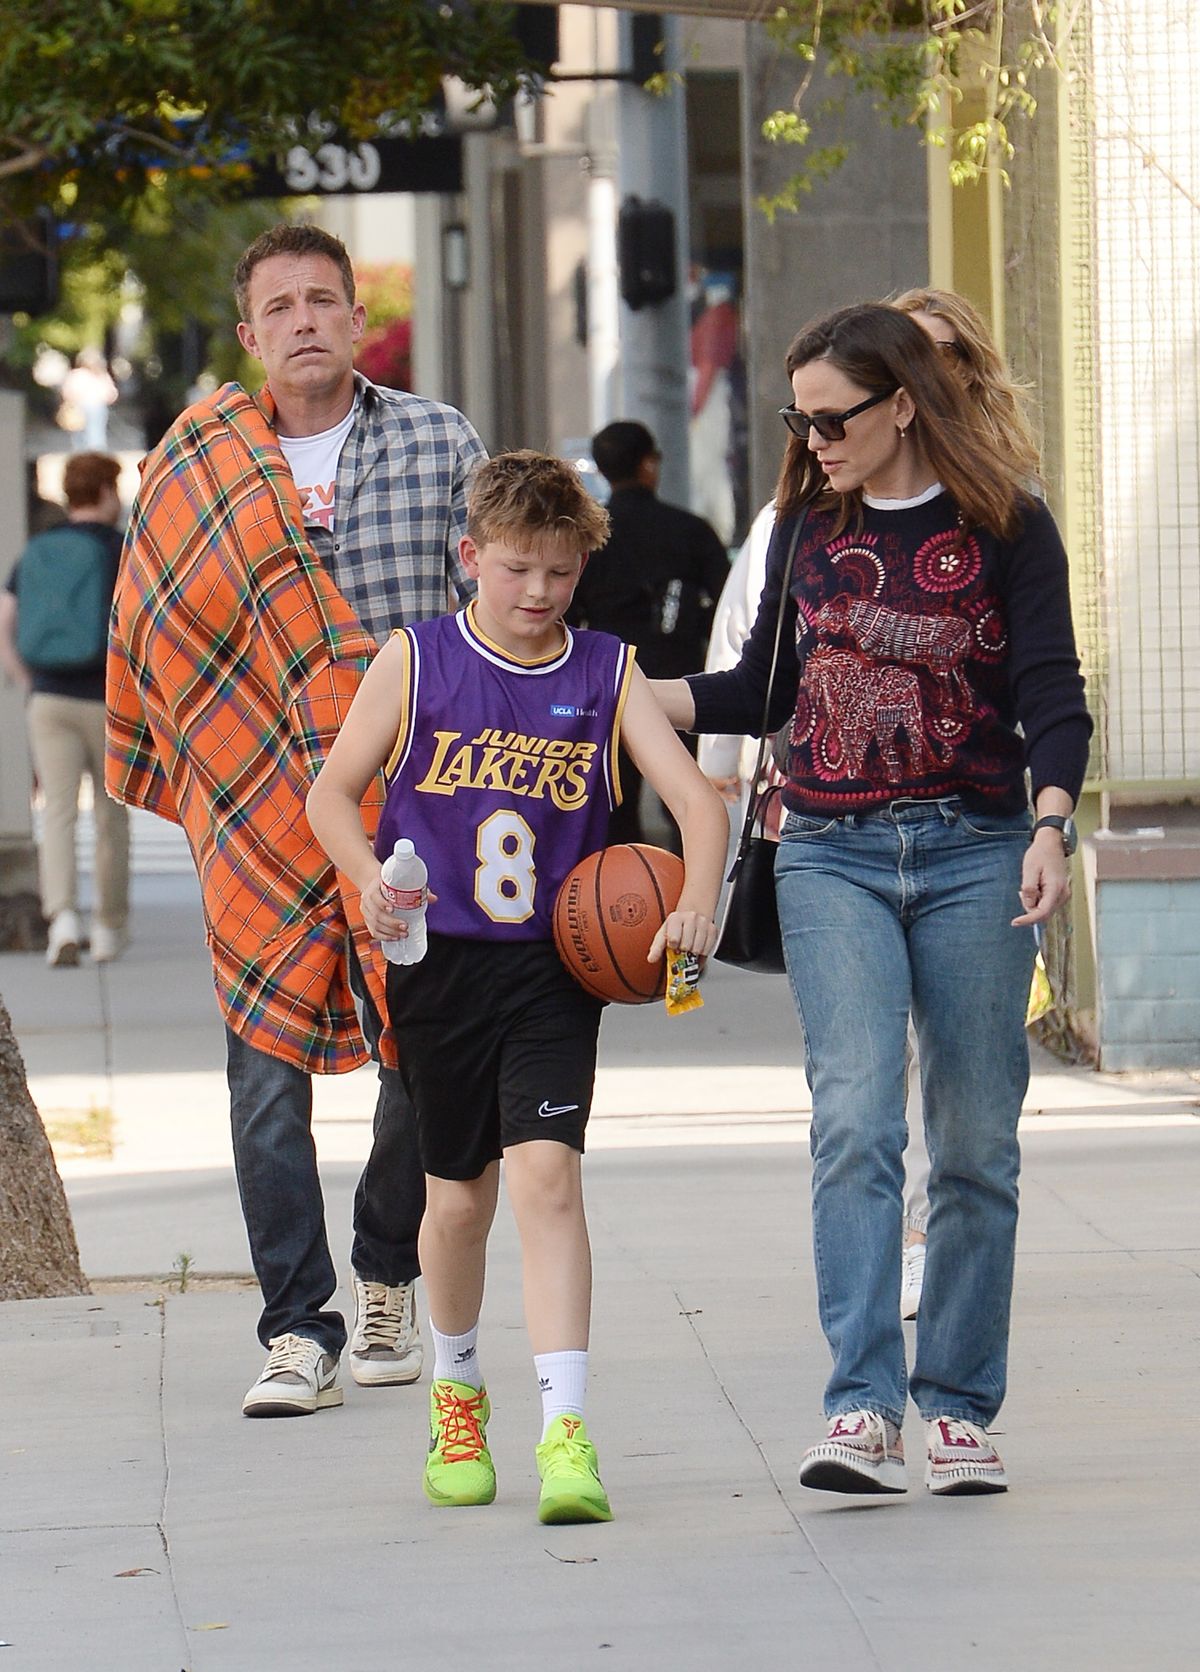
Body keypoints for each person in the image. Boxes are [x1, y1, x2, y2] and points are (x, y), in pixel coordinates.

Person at [653, 301, 1090, 1497]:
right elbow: (759, 688)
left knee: (974, 1141)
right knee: (855, 1121)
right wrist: (627, 692)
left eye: (833, 416)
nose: (815, 438)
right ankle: (860, 1405)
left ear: (904, 402)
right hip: (832, 851)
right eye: (800, 418)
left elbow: (1053, 692)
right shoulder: (804, 527)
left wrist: (1052, 825)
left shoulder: (1006, 525)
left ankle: (955, 1405)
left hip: (978, 848)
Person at [106, 223, 487, 1417]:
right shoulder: (192, 463)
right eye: (283, 305)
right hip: (258, 804)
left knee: (420, 1053)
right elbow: (152, 623)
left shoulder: (437, 439)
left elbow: (489, 606)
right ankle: (294, 1326)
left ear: (355, 320)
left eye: (327, 298)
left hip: (410, 802)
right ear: (251, 332)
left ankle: (384, 1268)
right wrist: (211, 754)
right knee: (265, 1071)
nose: (307, 319)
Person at [306, 451, 728, 1522]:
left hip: (555, 965)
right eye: (517, 570)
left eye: (559, 571)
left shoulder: (608, 670)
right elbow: (329, 795)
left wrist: (696, 901)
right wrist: (367, 881)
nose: (539, 593)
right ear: (470, 560)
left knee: (547, 1179)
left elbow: (697, 801)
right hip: (438, 963)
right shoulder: (415, 660)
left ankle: (566, 1430)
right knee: (457, 1202)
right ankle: (457, 1389)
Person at [892, 286, 1047, 1319]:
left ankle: (936, 1231)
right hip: (845, 829)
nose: (921, 374)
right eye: (904, 355)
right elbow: (765, 647)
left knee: (970, 1097)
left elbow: (1047, 673)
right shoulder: (822, 495)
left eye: (942, 355)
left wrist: (1050, 817)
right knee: (865, 1092)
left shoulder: (1008, 502)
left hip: (978, 824)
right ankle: (907, 1238)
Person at [568, 420, 729, 846]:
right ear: (649, 464)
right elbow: (725, 609)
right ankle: (687, 895)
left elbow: (568, 615)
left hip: (606, 679)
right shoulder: (690, 531)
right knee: (687, 802)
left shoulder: (591, 540)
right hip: (683, 681)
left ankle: (622, 903)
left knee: (613, 805)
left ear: (602, 470)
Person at [0, 452, 130, 967]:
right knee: (109, 815)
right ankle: (107, 927)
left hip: (48, 698)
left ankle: (63, 919)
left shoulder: (37, 549)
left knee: (55, 812)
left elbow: (4, 620)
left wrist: (27, 678)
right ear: (103, 492)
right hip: (106, 701)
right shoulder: (120, 549)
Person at [58, 348, 119, 451]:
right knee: (96, 433)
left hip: (79, 407)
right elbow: (112, 394)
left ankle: (82, 458)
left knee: (79, 435)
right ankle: (96, 456)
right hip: (96, 406)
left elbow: (67, 392)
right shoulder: (101, 375)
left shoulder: (76, 374)